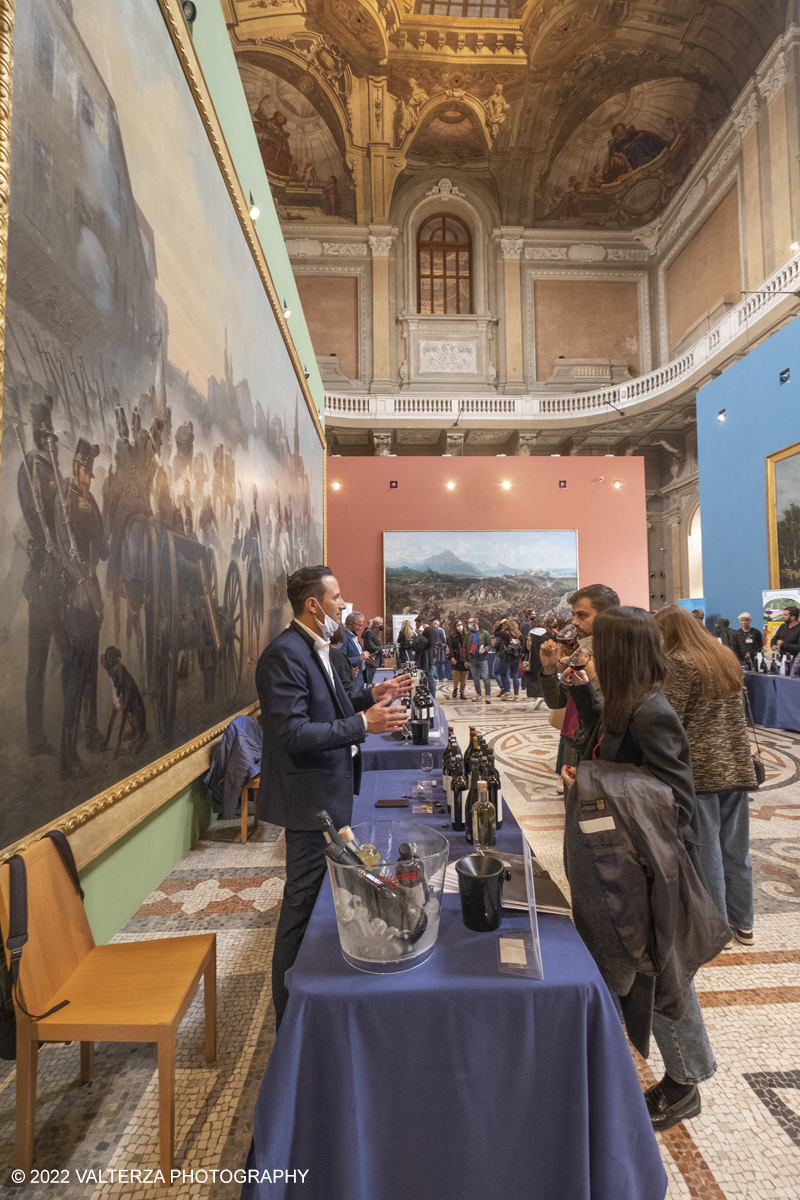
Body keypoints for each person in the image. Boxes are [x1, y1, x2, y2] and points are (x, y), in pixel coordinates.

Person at [562, 607, 718, 1132]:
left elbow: (677, 800)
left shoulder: (655, 711)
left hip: (644, 873)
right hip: (615, 865)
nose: (587, 648)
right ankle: (623, 1073)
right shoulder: (625, 701)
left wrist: (592, 778)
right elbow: (608, 752)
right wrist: (584, 696)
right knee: (640, 972)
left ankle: (681, 1083)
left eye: (597, 643)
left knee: (658, 972)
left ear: (619, 651)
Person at [256, 566, 411, 1025]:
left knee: (321, 897)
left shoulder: (316, 647)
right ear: (313, 604)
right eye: (337, 596)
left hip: (328, 790)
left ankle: (315, 1001)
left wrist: (369, 696)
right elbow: (294, 733)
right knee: (300, 904)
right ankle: (287, 1016)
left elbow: (333, 702)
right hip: (308, 802)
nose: (344, 604)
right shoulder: (283, 655)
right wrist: (364, 725)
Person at [654, 605, 758, 946]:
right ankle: (743, 923)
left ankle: (716, 929)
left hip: (701, 771)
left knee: (708, 851)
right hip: (737, 766)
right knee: (736, 851)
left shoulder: (680, 663)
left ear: (668, 632)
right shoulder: (724, 656)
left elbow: (670, 720)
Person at [16, 397, 70, 758]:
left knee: (66, 654)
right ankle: (36, 739)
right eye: (46, 437)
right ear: (39, 437)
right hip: (41, 580)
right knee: (38, 659)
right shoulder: (31, 470)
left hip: (59, 580)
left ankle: (68, 730)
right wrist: (45, 546)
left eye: (51, 438)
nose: (51, 444)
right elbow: (34, 521)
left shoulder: (54, 474)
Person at [539, 584, 620, 784]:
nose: (574, 622)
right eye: (574, 615)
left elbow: (614, 719)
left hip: (603, 748)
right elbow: (557, 701)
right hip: (574, 738)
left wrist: (594, 680)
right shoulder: (581, 652)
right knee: (573, 805)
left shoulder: (621, 655)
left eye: (582, 615)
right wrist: (549, 670)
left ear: (606, 615)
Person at [464, 615, 492, 703]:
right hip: (472, 659)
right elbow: (464, 647)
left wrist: (485, 649)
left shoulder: (485, 633)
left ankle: (487, 695)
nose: (468, 624)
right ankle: (478, 695)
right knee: (475, 678)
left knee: (485, 677)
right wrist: (465, 660)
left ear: (475, 623)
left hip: (482, 659)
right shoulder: (468, 635)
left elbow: (489, 645)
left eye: (470, 622)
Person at [495, 619, 523, 701]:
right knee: (515, 676)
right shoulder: (519, 634)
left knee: (503, 674)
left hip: (506, 657)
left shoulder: (506, 634)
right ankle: (516, 695)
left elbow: (495, 633)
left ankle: (507, 692)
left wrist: (500, 623)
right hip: (516, 657)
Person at [523, 612, 547, 707]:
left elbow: (524, 649)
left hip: (532, 660)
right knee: (544, 678)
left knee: (533, 679)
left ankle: (537, 697)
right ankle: (544, 695)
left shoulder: (529, 635)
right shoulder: (547, 635)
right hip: (545, 660)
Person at [412, 618, 438, 696]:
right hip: (426, 657)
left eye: (417, 624)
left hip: (428, 657)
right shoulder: (426, 631)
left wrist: (421, 641)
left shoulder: (429, 630)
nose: (416, 626)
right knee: (426, 678)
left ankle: (432, 698)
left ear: (421, 623)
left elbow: (431, 643)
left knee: (430, 679)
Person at [343, 610, 369, 686]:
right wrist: (360, 658)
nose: (361, 628)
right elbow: (342, 661)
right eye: (359, 625)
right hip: (351, 681)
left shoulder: (354, 637)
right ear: (351, 624)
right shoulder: (343, 638)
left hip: (359, 679)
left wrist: (367, 659)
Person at [447, 618, 469, 699]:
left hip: (464, 659)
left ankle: (462, 692)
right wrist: (452, 657)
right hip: (456, 658)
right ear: (455, 627)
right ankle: (455, 689)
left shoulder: (466, 635)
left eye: (461, 625)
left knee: (464, 678)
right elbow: (451, 648)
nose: (460, 627)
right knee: (456, 677)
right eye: (458, 625)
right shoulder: (451, 637)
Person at [362, 617, 384, 686]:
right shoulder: (369, 632)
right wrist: (380, 649)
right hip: (371, 660)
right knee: (369, 681)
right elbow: (370, 645)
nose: (382, 625)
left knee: (372, 680)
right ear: (376, 624)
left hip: (375, 660)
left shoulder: (375, 632)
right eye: (381, 623)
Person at [430, 619, 448, 686]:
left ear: (433, 624)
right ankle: (444, 677)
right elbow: (444, 640)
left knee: (434, 664)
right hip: (441, 650)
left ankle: (436, 678)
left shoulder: (430, 631)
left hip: (433, 650)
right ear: (438, 624)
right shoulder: (441, 630)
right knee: (442, 664)